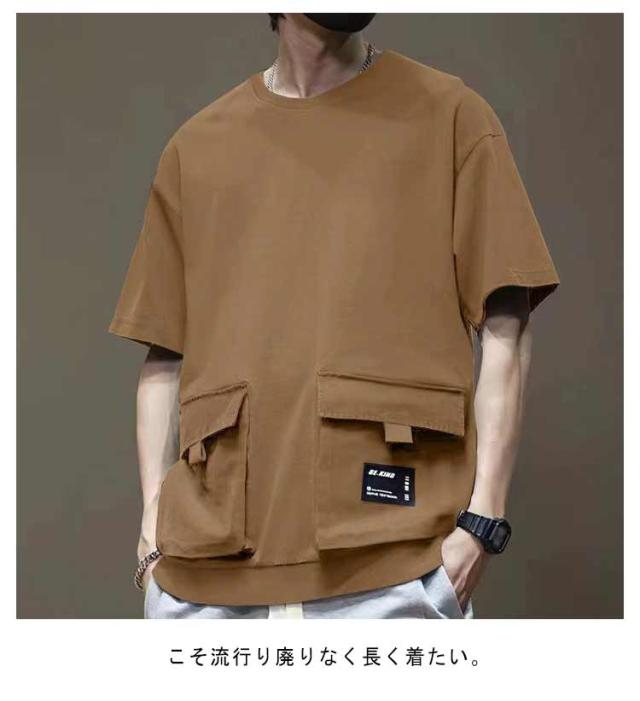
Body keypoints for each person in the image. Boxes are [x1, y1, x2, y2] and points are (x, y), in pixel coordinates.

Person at [109, 13, 560, 619]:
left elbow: (508, 319)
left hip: (392, 571)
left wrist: (483, 522)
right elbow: (164, 353)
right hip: (202, 582)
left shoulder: (452, 117)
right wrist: (151, 522)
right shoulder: (196, 149)